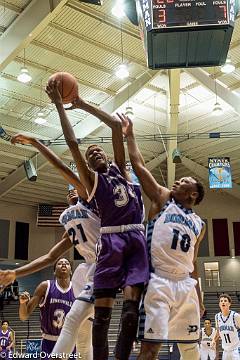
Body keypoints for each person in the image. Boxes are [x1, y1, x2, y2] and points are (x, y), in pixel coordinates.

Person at [45, 81, 149, 360]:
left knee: (130, 314)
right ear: (88, 167)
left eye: (97, 150)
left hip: (136, 237)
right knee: (101, 318)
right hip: (111, 240)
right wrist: (59, 105)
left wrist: (80, 104)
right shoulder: (92, 182)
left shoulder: (122, 172)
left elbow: (116, 127)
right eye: (91, 155)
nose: (95, 152)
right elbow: (72, 144)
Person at [0, 136, 101, 360]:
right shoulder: (69, 219)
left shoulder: (93, 200)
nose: (72, 191)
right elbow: (50, 256)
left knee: (78, 323)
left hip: (109, 264)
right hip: (90, 268)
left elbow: (62, 167)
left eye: (75, 188)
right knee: (82, 333)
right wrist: (15, 272)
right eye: (68, 191)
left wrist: (37, 144)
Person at [119, 114, 206, 360]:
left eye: (184, 181)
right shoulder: (164, 199)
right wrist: (130, 135)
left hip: (186, 285)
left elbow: (195, 264)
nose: (177, 180)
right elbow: (139, 165)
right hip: (159, 282)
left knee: (191, 348)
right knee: (150, 347)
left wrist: (199, 298)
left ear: (193, 194)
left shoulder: (200, 223)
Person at [19, 258, 76, 356]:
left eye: (66, 263)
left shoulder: (77, 289)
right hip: (49, 342)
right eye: (60, 263)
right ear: (54, 271)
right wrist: (23, 303)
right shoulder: (45, 286)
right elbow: (24, 316)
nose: (63, 265)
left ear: (71, 271)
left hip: (69, 342)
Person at [211, 293, 240, 360]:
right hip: (225, 351)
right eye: (221, 301)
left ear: (229, 304)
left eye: (225, 300)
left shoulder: (235, 316)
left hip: (236, 350)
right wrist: (213, 340)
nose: (223, 302)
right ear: (219, 304)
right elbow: (218, 331)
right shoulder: (217, 316)